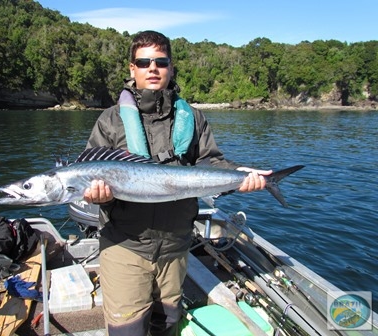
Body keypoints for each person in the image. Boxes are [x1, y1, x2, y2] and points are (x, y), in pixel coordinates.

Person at [83, 30, 272, 336]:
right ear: (132, 68)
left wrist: (240, 174)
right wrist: (99, 197)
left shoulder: (194, 118)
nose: (153, 68)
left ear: (170, 67)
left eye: (160, 61)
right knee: (127, 330)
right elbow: (94, 174)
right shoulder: (110, 120)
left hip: (176, 244)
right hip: (126, 245)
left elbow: (212, 164)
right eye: (144, 62)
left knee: (168, 323)